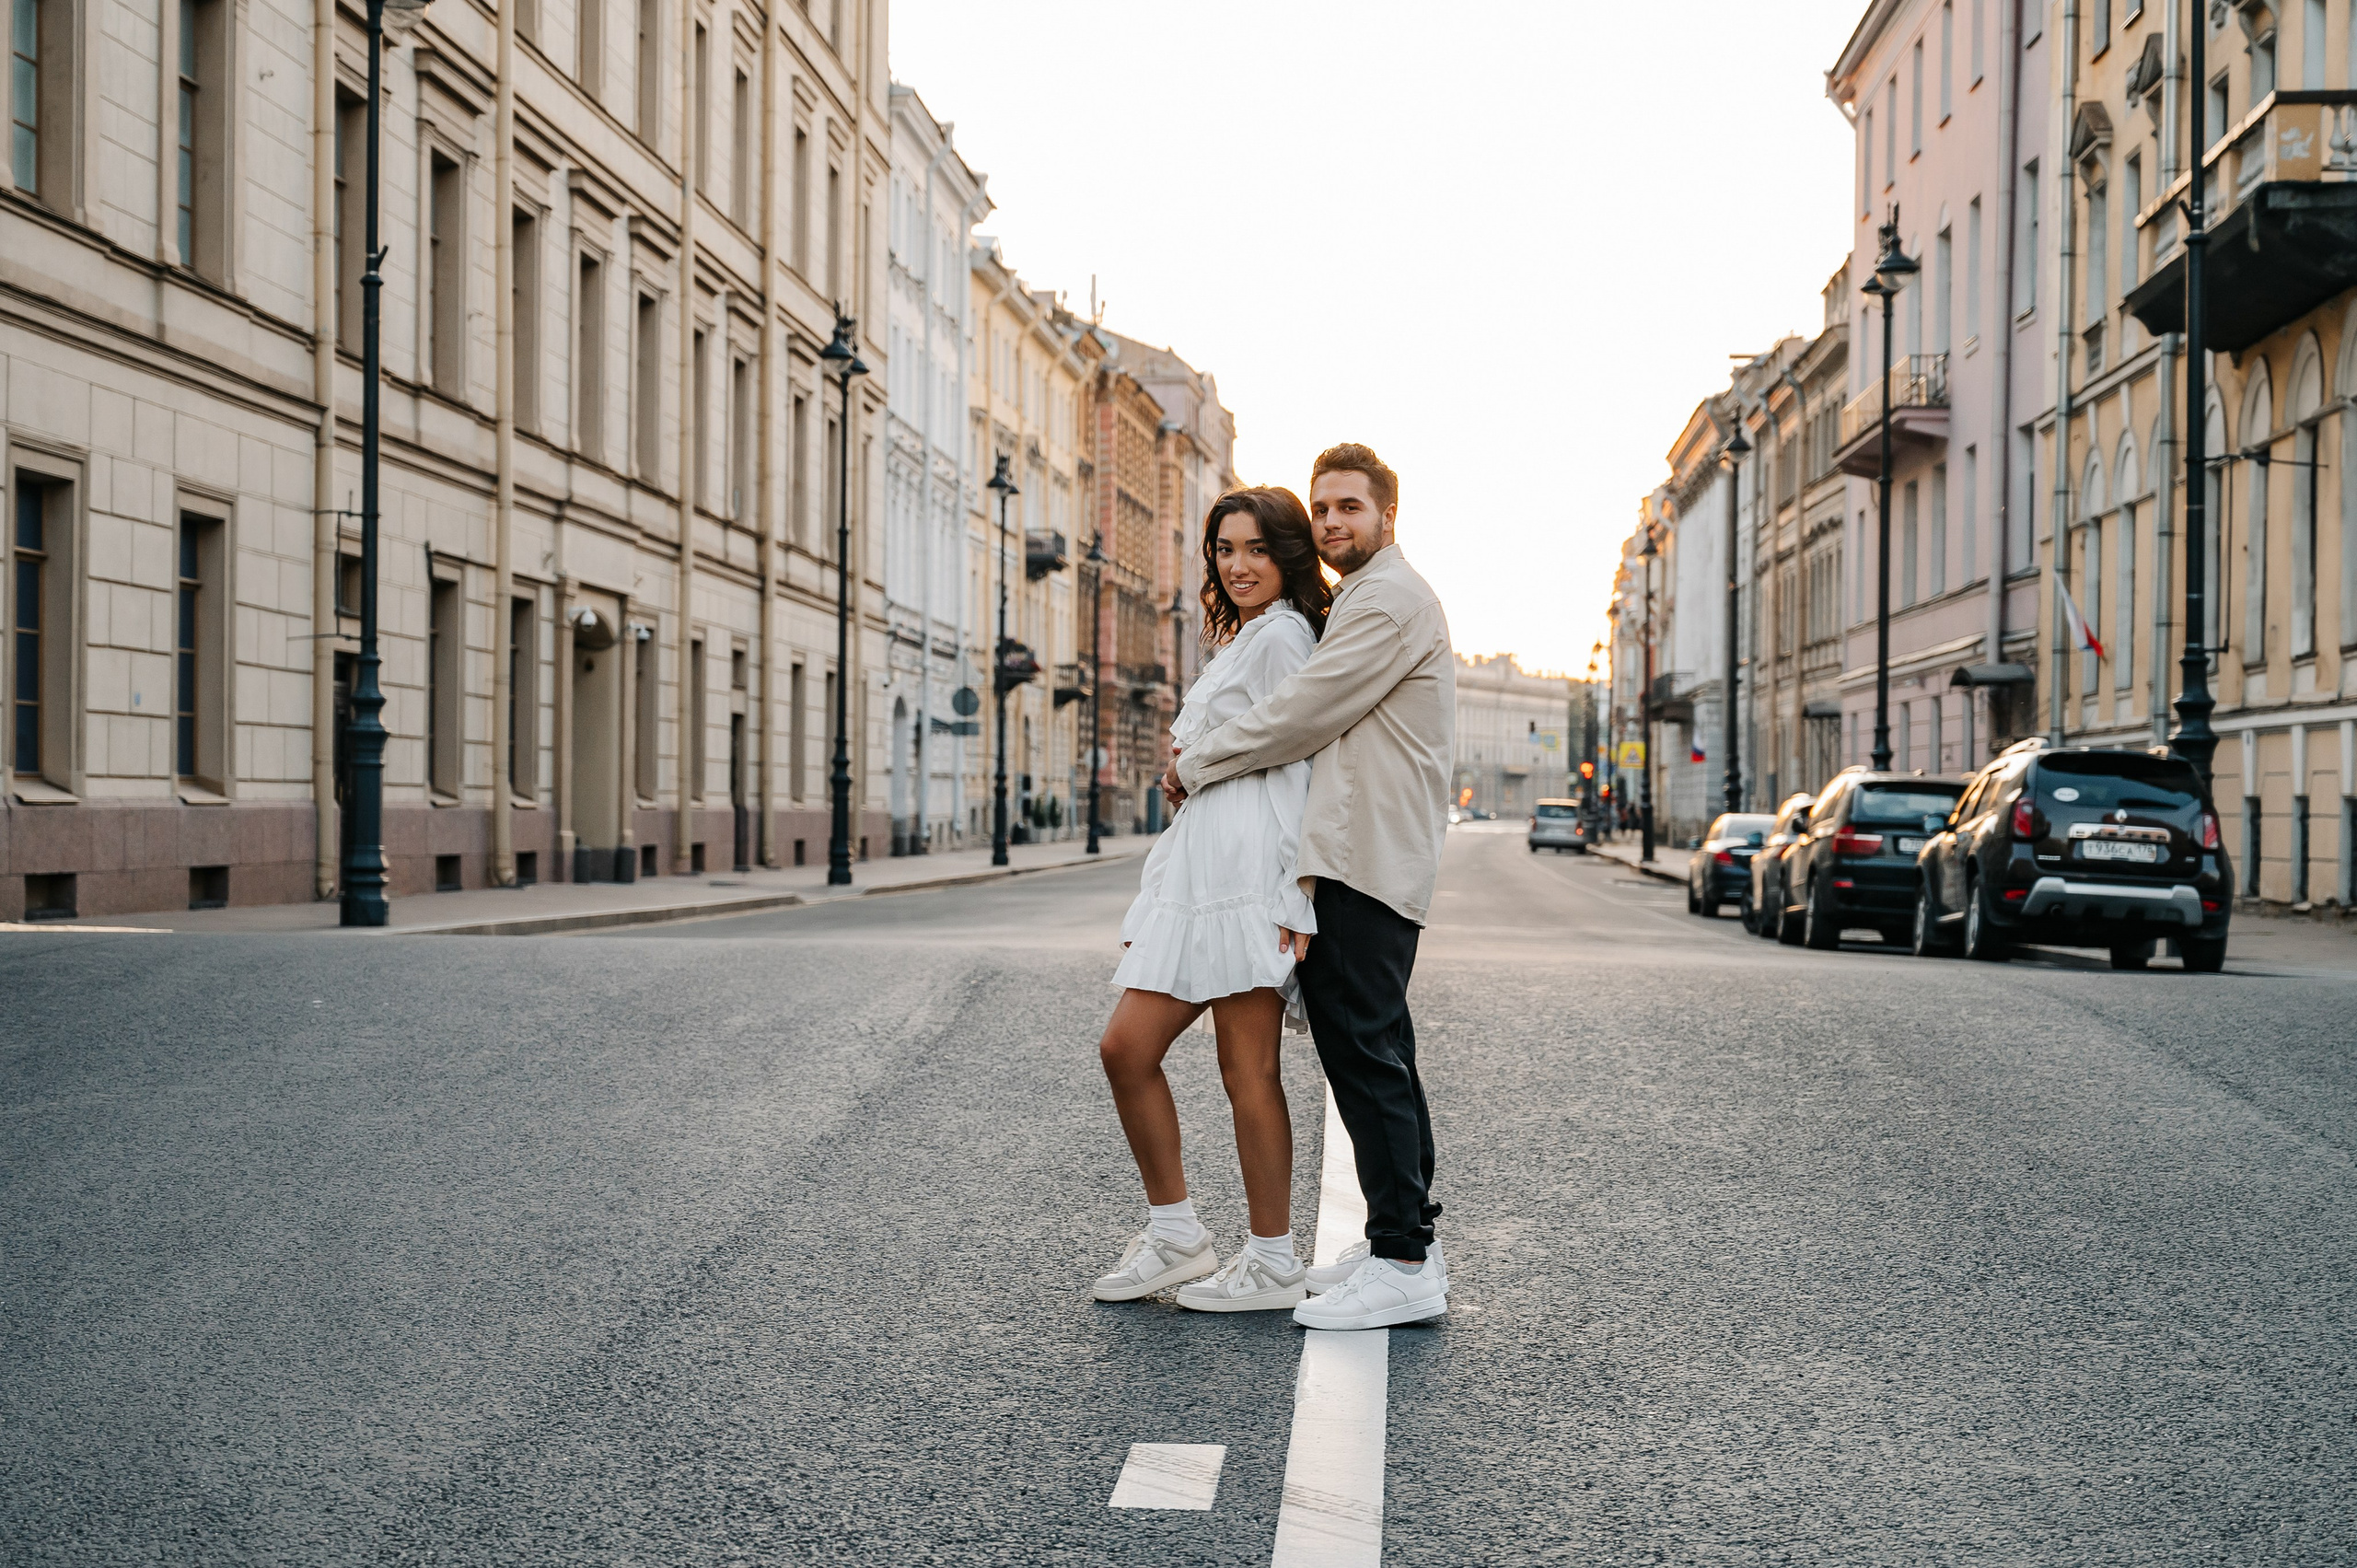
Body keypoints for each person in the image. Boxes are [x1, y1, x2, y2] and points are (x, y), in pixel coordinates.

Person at [1165, 443, 1455, 1331]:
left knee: (1364, 1052)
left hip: (1368, 853)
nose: (1331, 521)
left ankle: (1403, 1262)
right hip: (1361, 849)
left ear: (1388, 515)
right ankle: (1407, 1237)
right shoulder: (1369, 596)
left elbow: (1302, 711)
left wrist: (1196, 761)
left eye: (1349, 507)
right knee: (1381, 1047)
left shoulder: (1388, 601)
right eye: (1322, 507)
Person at [1091, 487, 1335, 1313]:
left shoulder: (1283, 637)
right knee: (1126, 1048)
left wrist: (1296, 892)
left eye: (1257, 549)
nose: (1238, 565)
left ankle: (1271, 1258)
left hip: (1248, 876)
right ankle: (1177, 1234)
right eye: (1225, 549)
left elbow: (1298, 757)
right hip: (1203, 871)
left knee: (1247, 1069)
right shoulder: (1249, 639)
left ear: (1288, 556)